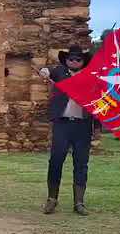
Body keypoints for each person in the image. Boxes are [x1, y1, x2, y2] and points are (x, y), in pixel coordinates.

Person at [39, 45, 93, 216]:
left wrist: (97, 127)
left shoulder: (90, 76)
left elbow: (98, 102)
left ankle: (79, 202)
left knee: (81, 164)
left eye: (78, 59)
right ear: (66, 60)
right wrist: (45, 72)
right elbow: (45, 70)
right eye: (71, 59)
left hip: (83, 125)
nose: (74, 61)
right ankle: (51, 200)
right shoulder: (60, 72)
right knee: (55, 161)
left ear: (83, 61)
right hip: (62, 124)